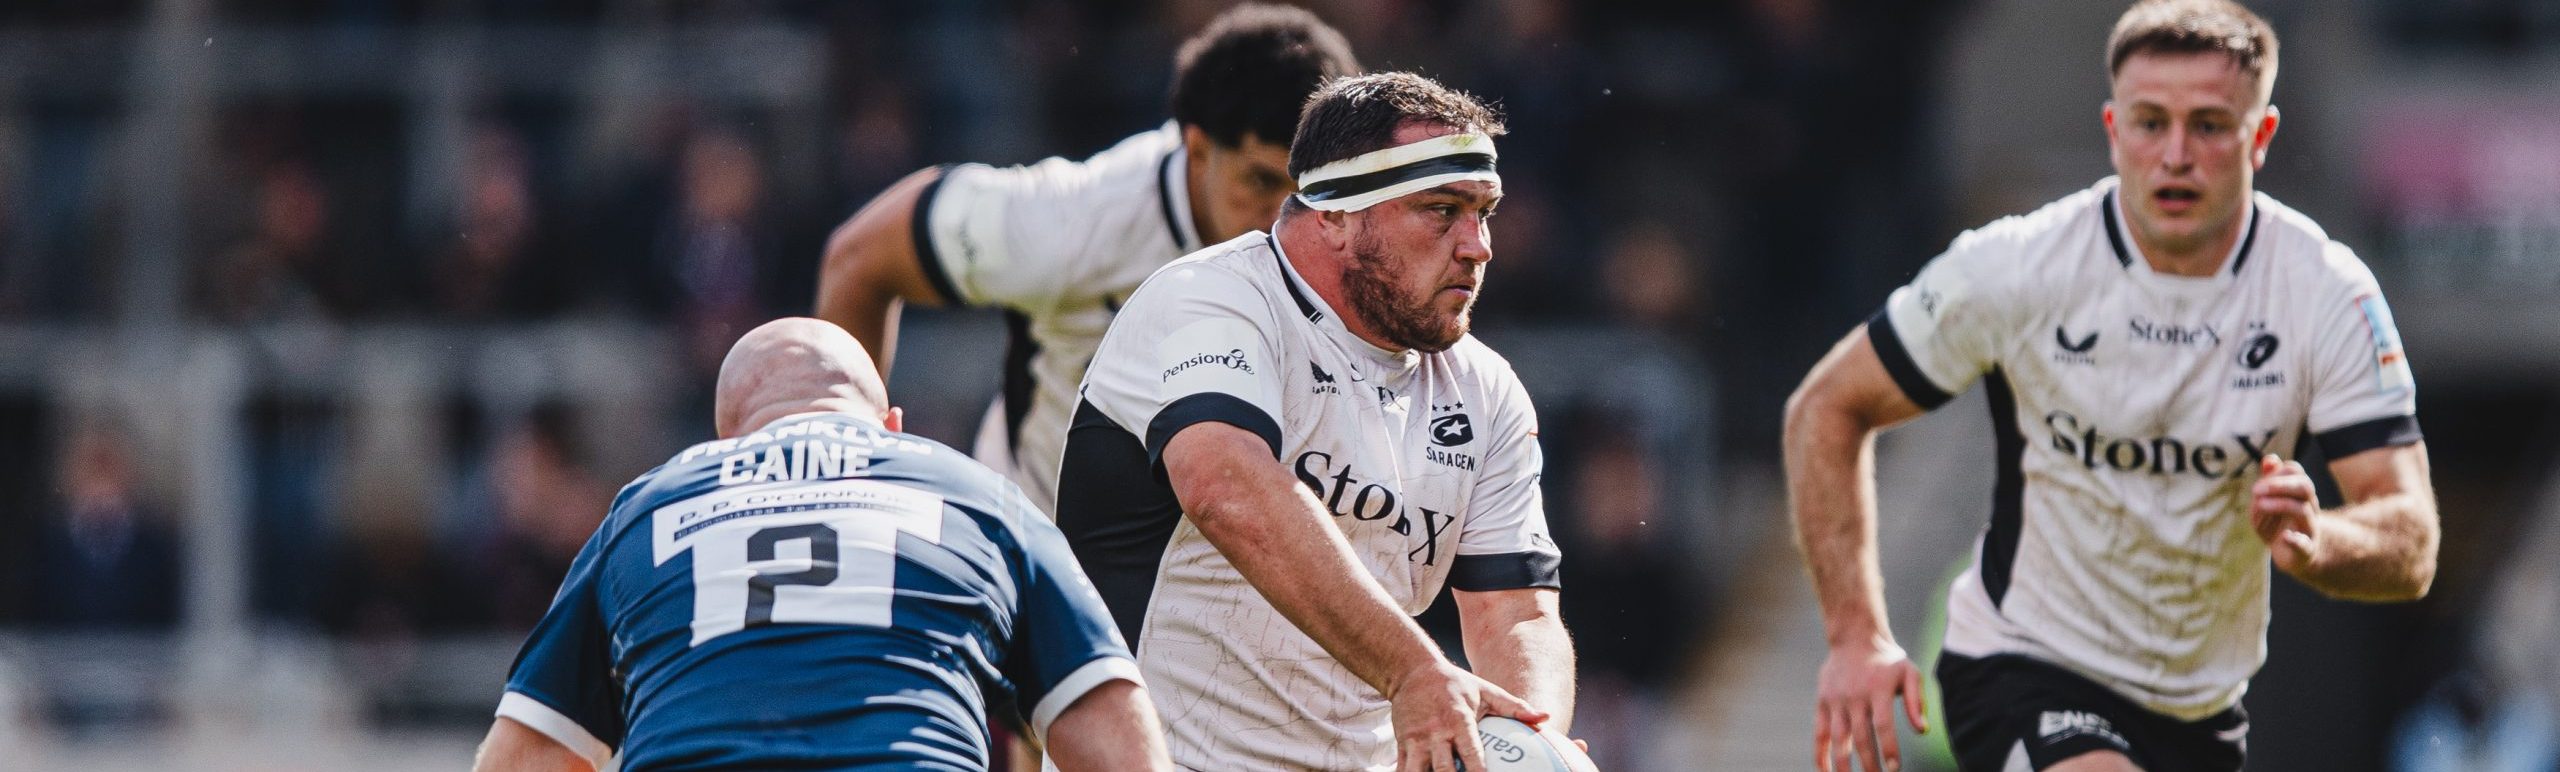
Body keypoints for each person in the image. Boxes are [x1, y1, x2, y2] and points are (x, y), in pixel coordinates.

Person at [1782, 2, 2441, 771]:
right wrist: (1855, 637)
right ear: (2112, 130)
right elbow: (1827, 404)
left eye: (2209, 125)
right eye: (2150, 122)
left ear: (2259, 139)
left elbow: (2412, 539)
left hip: (2200, 711)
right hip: (2021, 668)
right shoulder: (2019, 268)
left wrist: (2321, 541)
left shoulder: (2324, 292)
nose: (2175, 154)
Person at [1057, 72, 1577, 772]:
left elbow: (1515, 614)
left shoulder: (1486, 389)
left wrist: (1529, 739)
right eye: (1441, 209)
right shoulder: (1207, 302)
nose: (1477, 246)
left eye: (1484, 213)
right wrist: (1415, 672)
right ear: (1333, 210)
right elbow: (1227, 488)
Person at [472, 318, 1171, 772]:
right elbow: (1114, 730)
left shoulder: (650, 507)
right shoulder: (974, 494)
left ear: (726, 443)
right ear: (890, 426)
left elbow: (525, 754)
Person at [813, 4, 1359, 514]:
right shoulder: (1074, 224)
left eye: (1309, 192)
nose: (1284, 216)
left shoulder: (1354, 230)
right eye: (1262, 181)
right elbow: (860, 257)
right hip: (1040, 563)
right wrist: (846, 488)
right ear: (1197, 150)